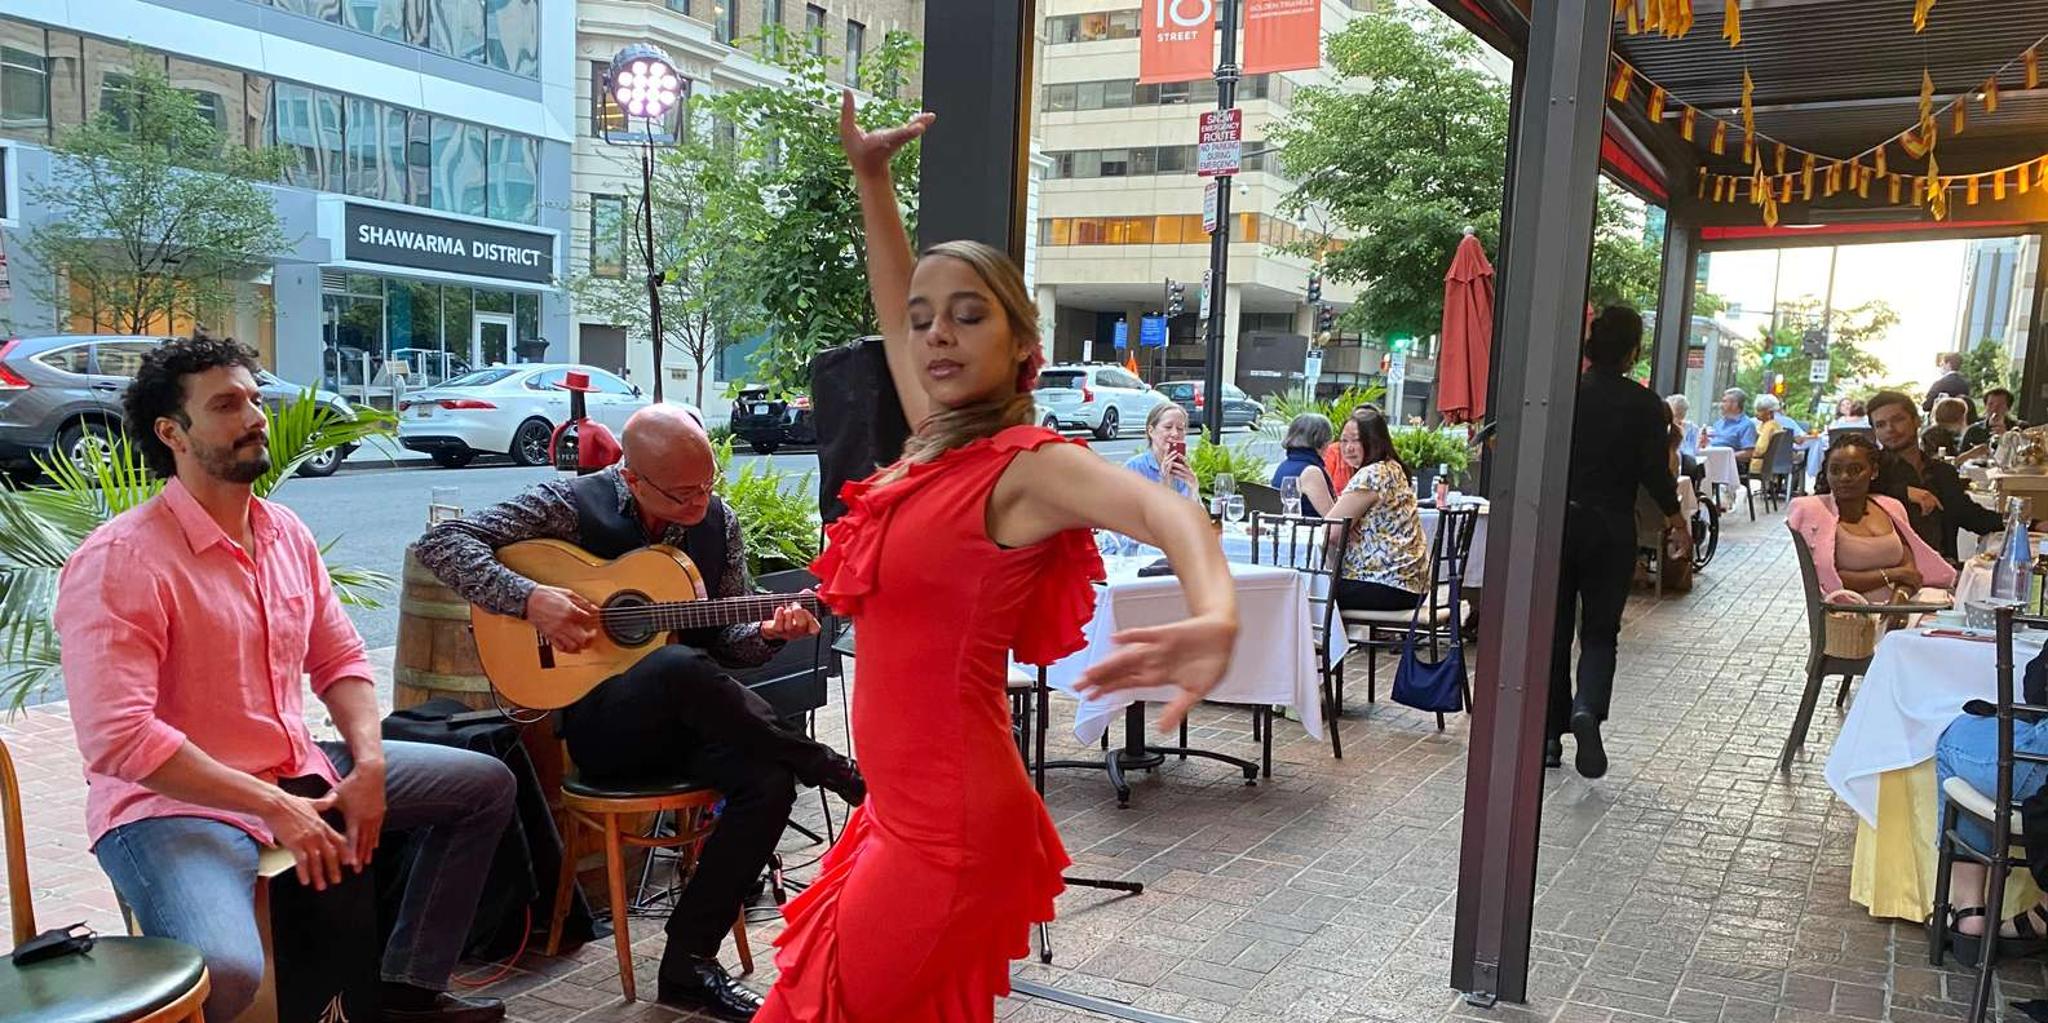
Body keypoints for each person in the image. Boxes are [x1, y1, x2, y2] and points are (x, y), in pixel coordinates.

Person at [749, 92, 1240, 1023]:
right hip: (898, 812)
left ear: (1022, 346)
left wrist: (1215, 612)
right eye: (929, 317)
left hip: (949, 828)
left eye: (968, 316)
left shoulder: (1030, 467)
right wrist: (872, 180)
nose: (935, 331)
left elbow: (1169, 517)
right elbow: (897, 308)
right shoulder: (936, 444)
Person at [54, 335, 516, 1023]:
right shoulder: (122, 559)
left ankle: (403, 990)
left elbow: (341, 660)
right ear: (171, 433)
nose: (256, 417)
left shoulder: (285, 534)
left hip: (293, 767)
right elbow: (119, 740)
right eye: (227, 404)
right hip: (170, 806)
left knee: (484, 786)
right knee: (225, 971)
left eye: (255, 399)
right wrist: (272, 806)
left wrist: (368, 763)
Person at [414, 404, 861, 1021]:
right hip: (601, 728)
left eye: (707, 485)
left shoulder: (717, 524)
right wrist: (531, 599)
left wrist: (774, 632)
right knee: (672, 668)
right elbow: (442, 542)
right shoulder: (569, 503)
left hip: (687, 722)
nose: (699, 501)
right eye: (681, 492)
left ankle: (687, 966)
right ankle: (830, 766)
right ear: (632, 478)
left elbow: (730, 645)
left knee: (767, 778)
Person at [1550, 307, 1687, 779]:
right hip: (1612, 527)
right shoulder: (1647, 406)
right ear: (1633, 350)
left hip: (1558, 523)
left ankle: (1549, 736)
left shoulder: (1564, 394)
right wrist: (1676, 519)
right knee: (1601, 631)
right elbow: (1654, 474)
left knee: (1555, 626)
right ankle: (1587, 709)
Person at [1824, 390, 2002, 562]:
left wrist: (2021, 523)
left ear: (1916, 420)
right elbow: (1828, 491)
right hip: (1886, 571)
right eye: (1881, 425)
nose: (1890, 429)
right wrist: (1904, 492)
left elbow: (1970, 516)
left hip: (1941, 570)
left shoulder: (1942, 472)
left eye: (1898, 420)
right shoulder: (1871, 470)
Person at [1787, 434, 1955, 604]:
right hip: (1851, 613)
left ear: (1873, 471)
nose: (1844, 477)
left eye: (1855, 470)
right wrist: (1892, 575)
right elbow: (1829, 577)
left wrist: (1899, 600)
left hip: (1903, 604)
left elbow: (1909, 568)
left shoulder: (1890, 506)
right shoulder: (1814, 511)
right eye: (1835, 470)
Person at [1326, 408, 1430, 612]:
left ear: (1374, 440)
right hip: (1409, 585)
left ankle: (1321, 644)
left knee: (1308, 592)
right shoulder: (1392, 468)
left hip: (1385, 583)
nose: (1348, 448)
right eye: (1344, 441)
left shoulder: (1371, 474)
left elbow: (1331, 531)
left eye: (1355, 440)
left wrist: (1346, 529)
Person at [1102, 403, 1203, 554]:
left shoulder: (1183, 470)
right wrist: (1165, 487)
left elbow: (1198, 525)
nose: (1175, 434)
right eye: (1168, 427)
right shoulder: (1135, 469)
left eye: (1180, 429)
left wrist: (1194, 489)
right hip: (1137, 553)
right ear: (1151, 431)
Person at [1271, 412, 1337, 516]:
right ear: (1323, 441)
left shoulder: (1283, 466)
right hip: (1309, 530)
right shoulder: (1311, 471)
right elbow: (1333, 518)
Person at [1707, 387, 1760, 465]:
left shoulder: (1746, 425)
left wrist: (1725, 456)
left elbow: (1749, 453)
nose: (1721, 405)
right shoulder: (1718, 423)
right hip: (1710, 459)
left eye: (1724, 401)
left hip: (1730, 465)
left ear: (1735, 404)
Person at [1962, 386, 2026, 451]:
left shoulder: (2021, 427)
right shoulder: (1973, 431)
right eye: (1990, 404)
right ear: (1985, 406)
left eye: (2000, 405)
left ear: (2008, 408)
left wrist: (2007, 436)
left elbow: (2027, 453)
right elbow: (1959, 458)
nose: (1994, 409)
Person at [1924, 351, 1975, 416]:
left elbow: (1926, 406)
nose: (1940, 367)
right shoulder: (1966, 384)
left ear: (1948, 364)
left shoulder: (1940, 384)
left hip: (1942, 420)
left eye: (1942, 364)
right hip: (1959, 421)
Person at [1750, 393, 1788, 476]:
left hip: (1756, 464)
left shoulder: (1769, 426)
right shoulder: (1774, 425)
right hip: (1767, 464)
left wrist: (1747, 451)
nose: (1756, 413)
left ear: (1769, 412)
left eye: (1759, 410)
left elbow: (1760, 449)